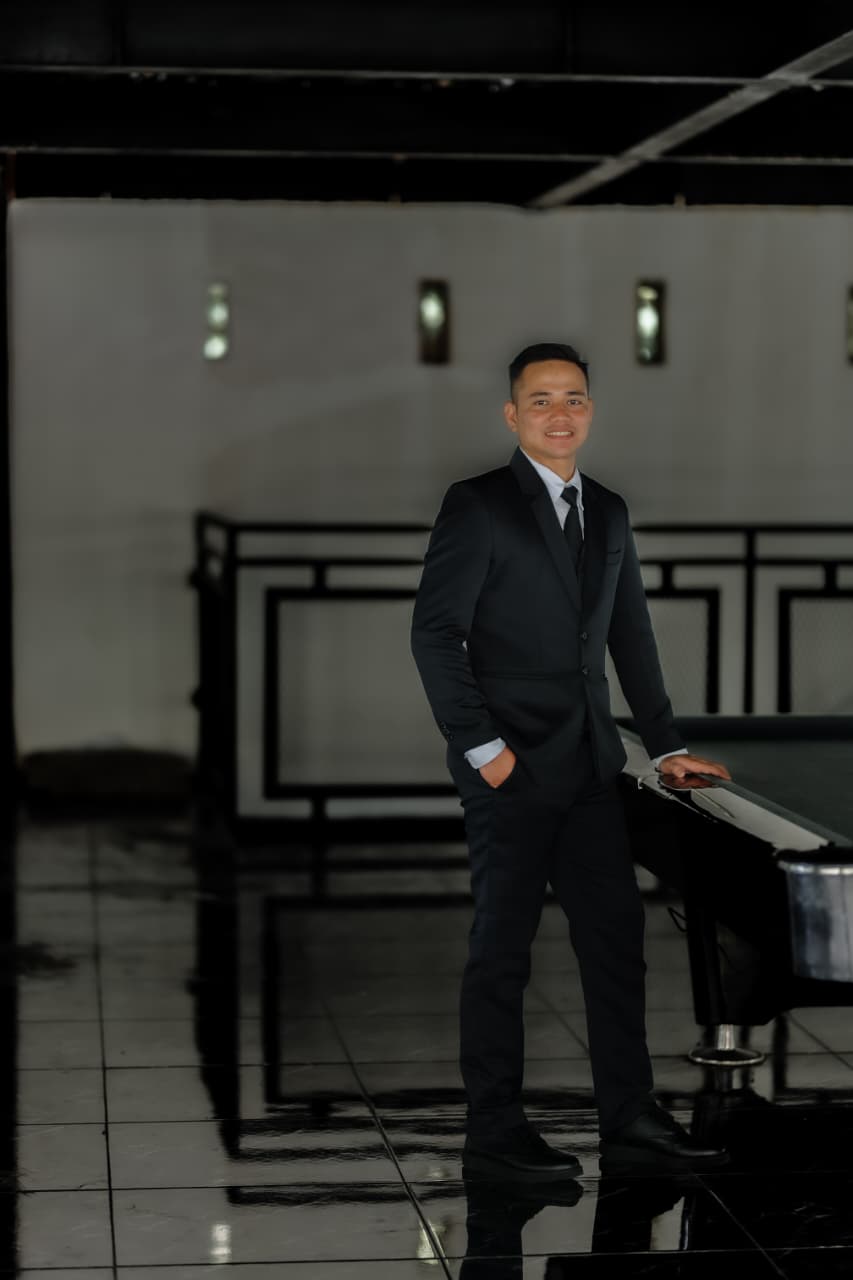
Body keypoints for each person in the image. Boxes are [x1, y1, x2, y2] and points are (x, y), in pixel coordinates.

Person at [411, 342, 732, 1181]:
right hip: (508, 766)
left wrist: (665, 745)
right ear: (512, 414)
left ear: (590, 410)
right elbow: (435, 634)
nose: (560, 414)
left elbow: (631, 634)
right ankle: (494, 1130)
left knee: (615, 941)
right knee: (502, 952)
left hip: (592, 764)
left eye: (574, 399)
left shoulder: (609, 510)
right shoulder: (478, 504)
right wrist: (484, 751)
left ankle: (628, 1116)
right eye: (541, 400)